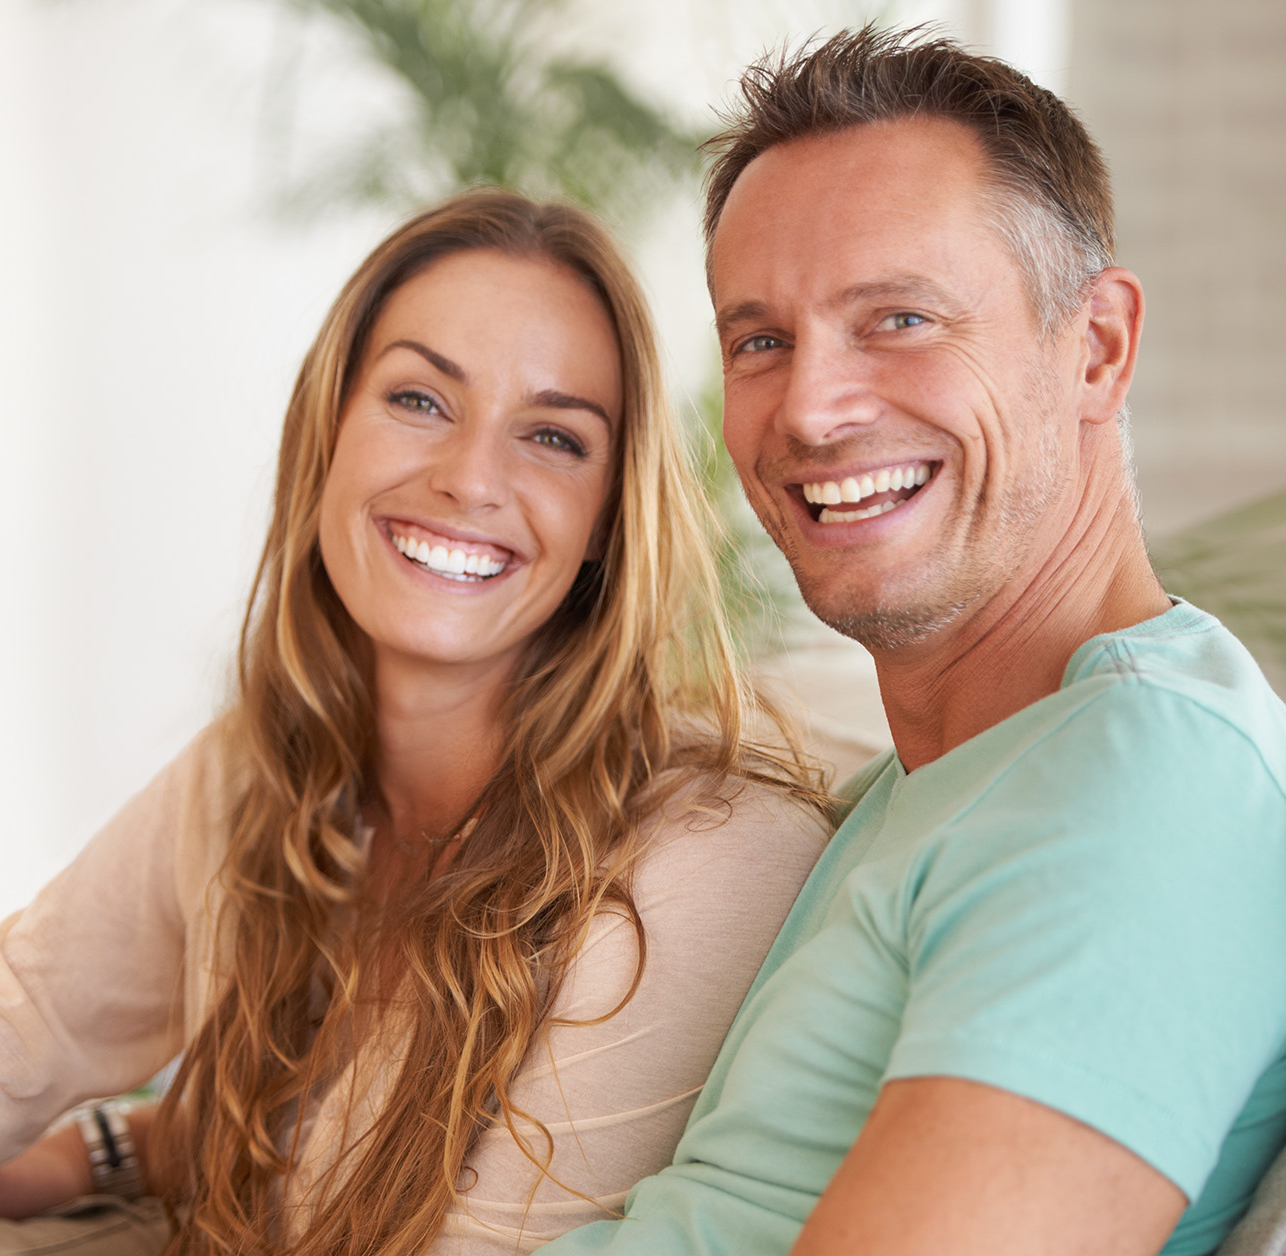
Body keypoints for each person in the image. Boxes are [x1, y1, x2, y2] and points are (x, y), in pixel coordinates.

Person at [0, 190, 831, 1256]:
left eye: (554, 437)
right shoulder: (268, 774)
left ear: (606, 523)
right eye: (419, 397)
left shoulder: (698, 854)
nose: (468, 476)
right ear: (328, 434)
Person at [536, 26, 1286, 1256]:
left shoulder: (1147, 775)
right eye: (761, 340)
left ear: (1097, 349)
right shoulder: (947, 776)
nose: (811, 408)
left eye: (899, 317)